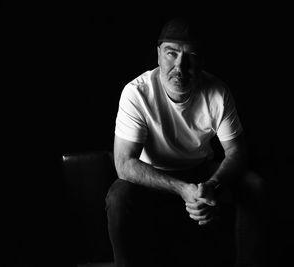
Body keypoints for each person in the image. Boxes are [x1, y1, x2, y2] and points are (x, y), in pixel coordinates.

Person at [105, 17, 265, 267]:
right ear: (158, 54)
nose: (180, 66)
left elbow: (236, 152)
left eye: (191, 56)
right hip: (154, 174)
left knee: (254, 184)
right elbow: (124, 163)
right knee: (118, 196)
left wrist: (213, 184)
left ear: (201, 62)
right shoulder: (136, 93)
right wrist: (182, 189)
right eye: (171, 53)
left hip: (201, 172)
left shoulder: (217, 92)